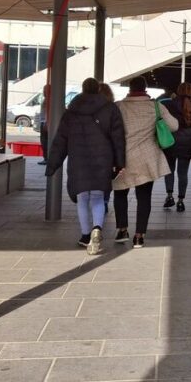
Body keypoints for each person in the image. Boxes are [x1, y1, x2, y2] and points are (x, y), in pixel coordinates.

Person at [44, 78, 125, 254]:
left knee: (82, 198)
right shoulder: (110, 109)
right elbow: (118, 138)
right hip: (102, 160)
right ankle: (97, 228)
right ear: (98, 89)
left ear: (82, 89)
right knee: (97, 197)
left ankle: (86, 235)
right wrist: (120, 163)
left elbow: (60, 141)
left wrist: (52, 165)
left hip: (78, 160)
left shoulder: (71, 111)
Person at [113, 76, 178, 248]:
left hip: (122, 158)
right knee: (144, 197)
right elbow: (174, 126)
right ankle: (139, 236)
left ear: (130, 88)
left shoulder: (119, 106)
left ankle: (121, 230)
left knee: (120, 193)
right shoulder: (156, 106)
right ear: (145, 88)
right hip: (147, 159)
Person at [162, 82, 191, 212]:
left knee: (169, 170)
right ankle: (181, 201)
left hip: (170, 142)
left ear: (178, 91)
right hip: (188, 143)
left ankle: (169, 197)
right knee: (183, 173)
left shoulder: (169, 104)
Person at [38, 83, 52, 165]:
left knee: (44, 141)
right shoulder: (48, 99)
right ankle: (46, 158)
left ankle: (46, 158)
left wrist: (47, 122)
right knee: (44, 141)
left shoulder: (49, 100)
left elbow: (48, 111)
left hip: (45, 123)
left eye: (45, 90)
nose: (43, 92)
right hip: (44, 122)